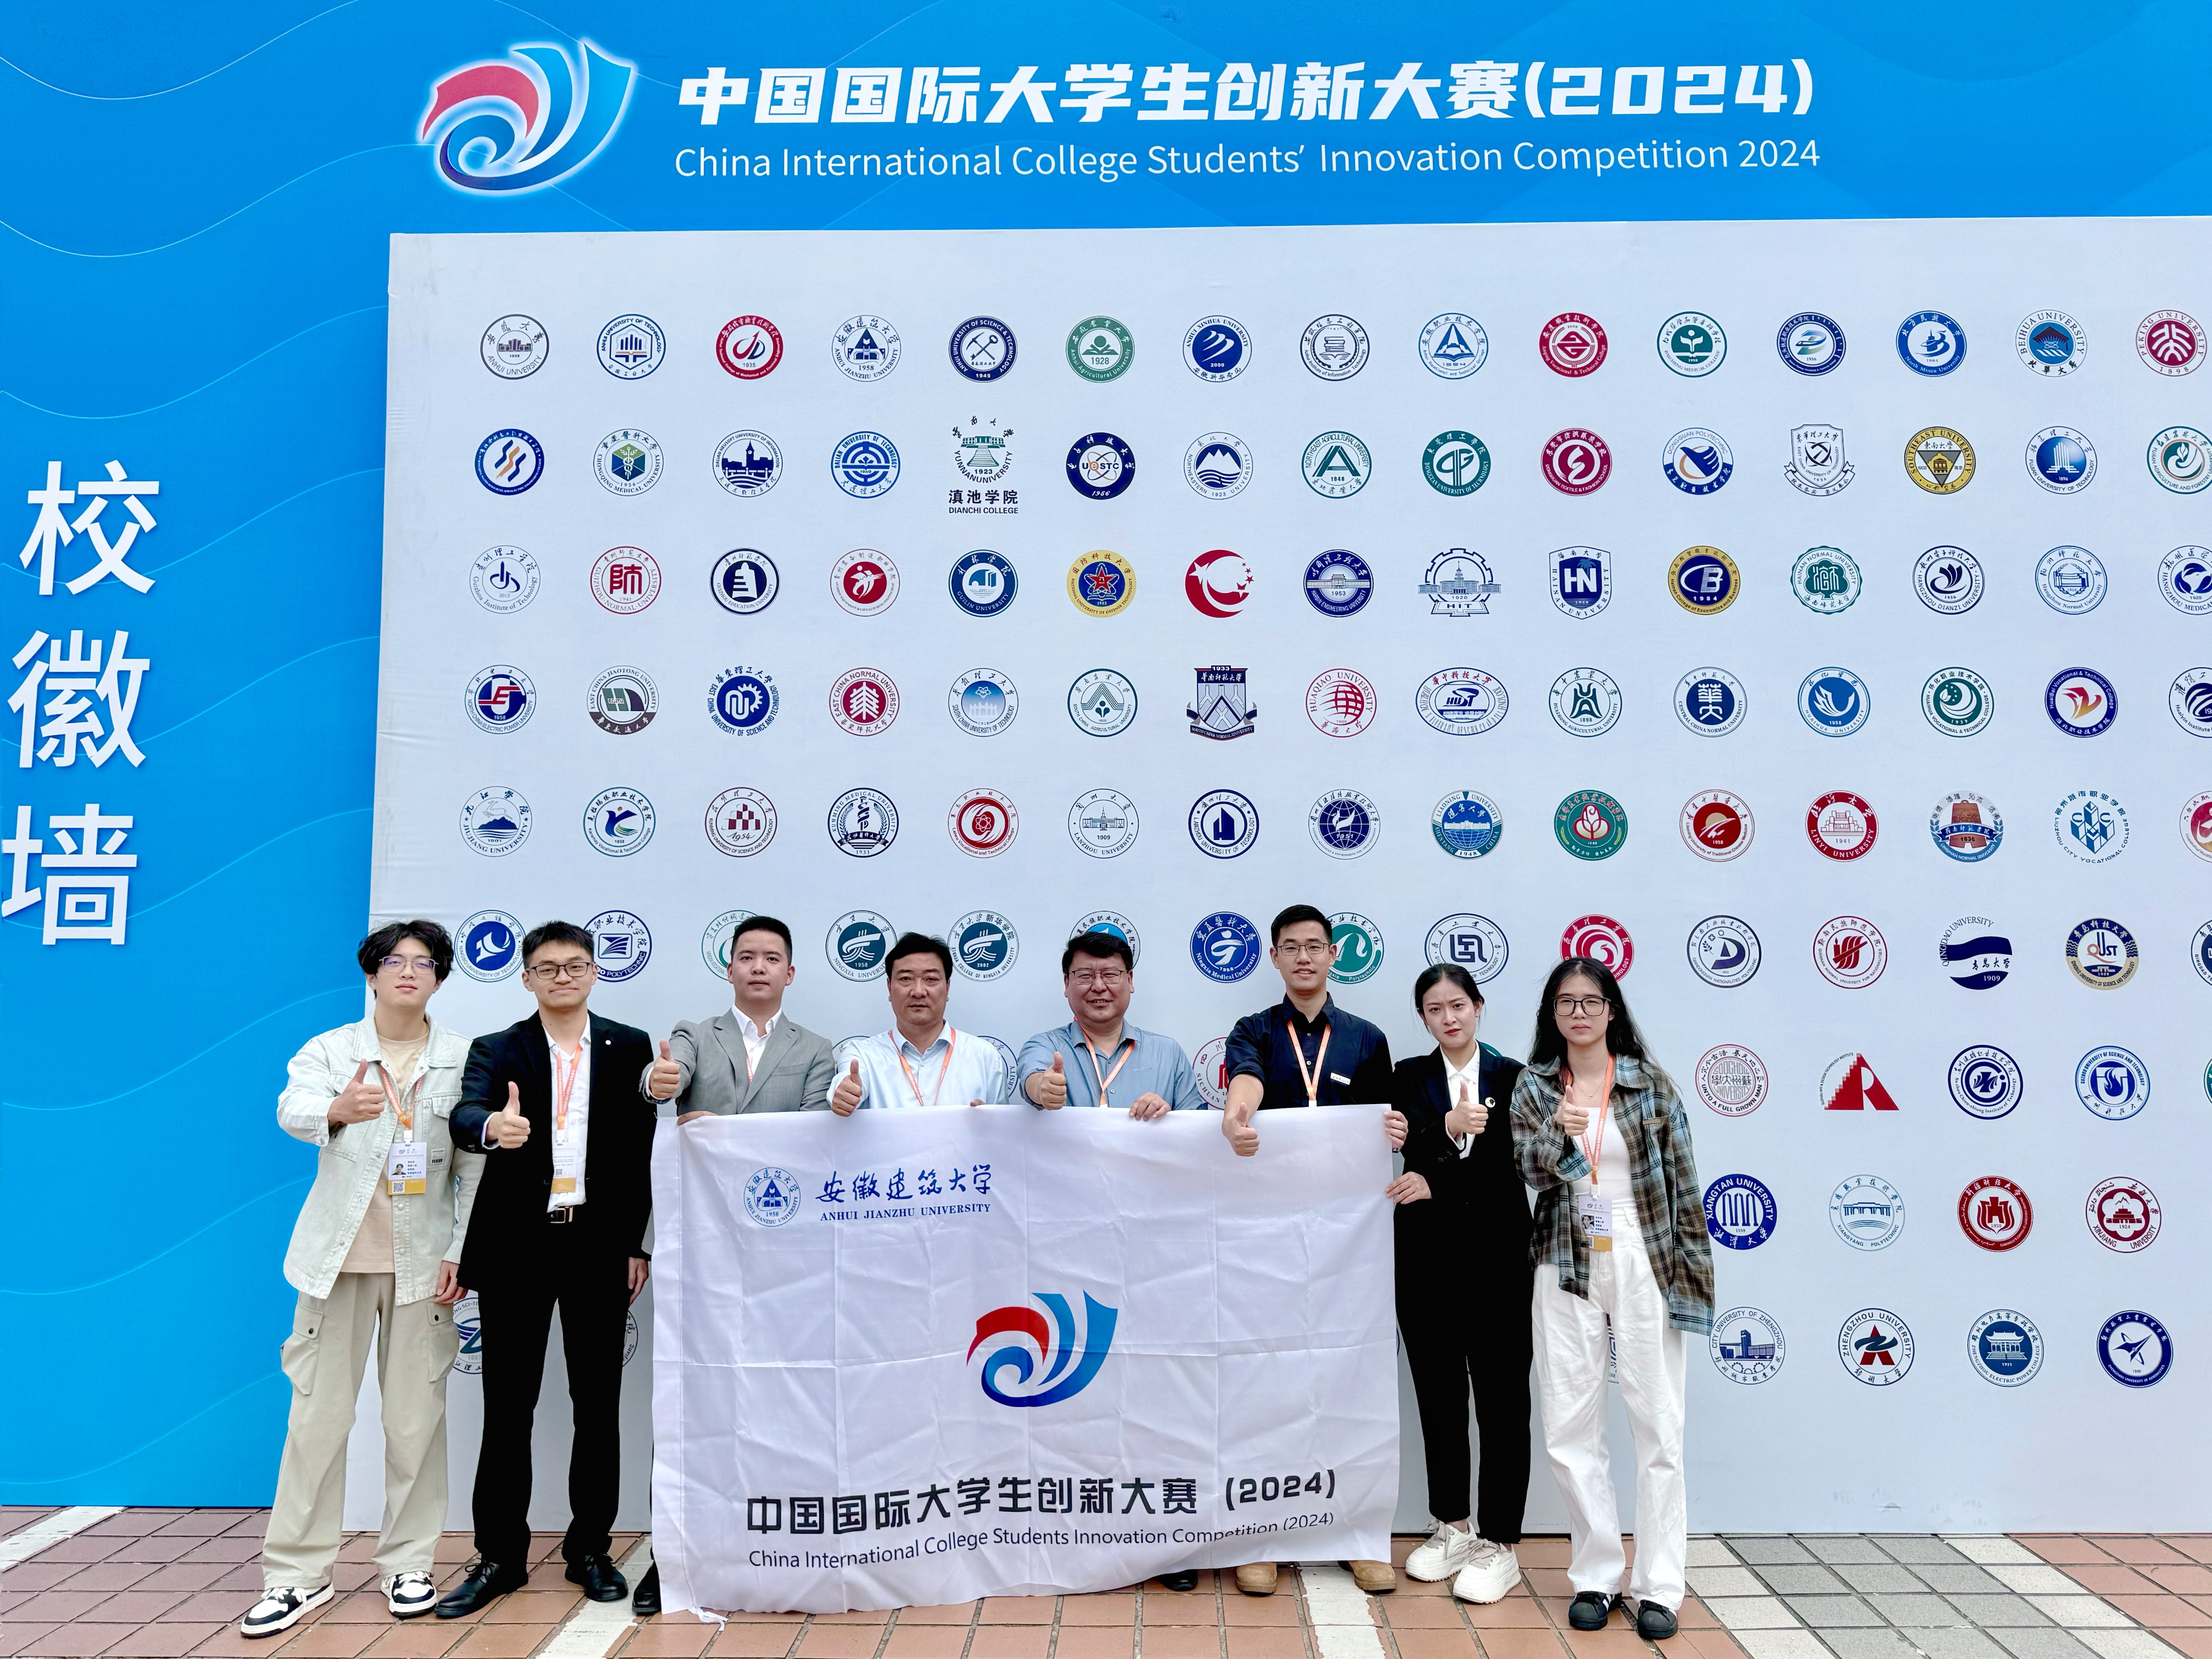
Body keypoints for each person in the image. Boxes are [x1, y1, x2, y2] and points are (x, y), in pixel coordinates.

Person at [244, 923, 481, 1638]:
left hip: (423, 1270)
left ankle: (409, 1563)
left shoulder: (464, 1057)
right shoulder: (332, 1050)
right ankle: (296, 1575)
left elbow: (474, 1169)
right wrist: (334, 1112)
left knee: (415, 1426)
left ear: (439, 978)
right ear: (371, 974)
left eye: (424, 962)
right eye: (394, 961)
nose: (409, 971)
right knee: (315, 1423)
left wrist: (461, 1250)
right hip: (334, 1265)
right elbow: (291, 1107)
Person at [434, 922, 657, 1619]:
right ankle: (500, 1556)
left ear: (595, 972)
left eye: (575, 965)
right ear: (527, 977)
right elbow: (465, 1111)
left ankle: (590, 1549)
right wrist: (489, 1128)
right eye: (548, 967)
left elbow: (640, 1150)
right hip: (516, 1247)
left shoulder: (630, 1046)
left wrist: (635, 1244)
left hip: (598, 1245)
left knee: (597, 1406)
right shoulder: (497, 1047)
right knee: (508, 1408)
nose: (563, 977)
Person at [625, 914, 837, 1614]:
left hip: (785, 1254)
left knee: (783, 1397)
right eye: (747, 956)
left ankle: (772, 1544)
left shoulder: (817, 1050)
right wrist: (660, 1081)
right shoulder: (694, 1034)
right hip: (701, 1247)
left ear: (790, 972)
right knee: (690, 1399)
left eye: (772, 958)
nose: (759, 967)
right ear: (730, 967)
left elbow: (812, 1137)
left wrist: (723, 1133)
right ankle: (671, 1556)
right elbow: (666, 1076)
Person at [1510, 958, 1710, 1641]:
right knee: (1569, 1425)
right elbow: (1528, 1169)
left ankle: (1659, 1585)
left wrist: (1691, 1280)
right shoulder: (1536, 1085)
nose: (1578, 1012)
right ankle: (1596, 1575)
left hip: (1643, 1251)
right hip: (1564, 1257)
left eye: (1590, 1001)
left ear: (1612, 1010)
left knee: (1659, 1424)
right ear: (1552, 1012)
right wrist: (1560, 1132)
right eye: (1565, 1002)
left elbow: (1684, 1185)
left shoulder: (1650, 1083)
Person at [1219, 903, 1405, 1599]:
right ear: (1273, 957)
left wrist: (1395, 1129)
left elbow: (1386, 1123)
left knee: (1349, 1376)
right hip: (1264, 1232)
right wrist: (1238, 1112)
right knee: (1263, 1374)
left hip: (1348, 1240)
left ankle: (1354, 1534)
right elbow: (1246, 1079)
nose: (1303, 957)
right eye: (1291, 947)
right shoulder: (1254, 1029)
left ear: (1333, 955)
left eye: (1315, 946)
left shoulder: (1367, 1039)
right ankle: (1261, 1535)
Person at [1386, 964, 1531, 1604]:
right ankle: (1452, 1525)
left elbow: (1512, 1166)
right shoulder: (1407, 1077)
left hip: (1500, 1261)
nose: (1448, 1017)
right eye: (1434, 1009)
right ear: (1422, 1017)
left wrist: (1435, 1174)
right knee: (1439, 1395)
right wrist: (1446, 1130)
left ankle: (1500, 1541)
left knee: (1503, 1401)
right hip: (1427, 1261)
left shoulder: (1515, 1078)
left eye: (1457, 1005)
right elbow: (1407, 1148)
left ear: (1478, 1006)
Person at [1016, 931, 1205, 1117]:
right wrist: (1043, 1087)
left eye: (1111, 975)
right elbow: (1034, 1079)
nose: (1099, 987)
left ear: (1130, 980)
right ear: (1067, 983)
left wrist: (1168, 1117)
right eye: (1085, 976)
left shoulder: (1168, 1053)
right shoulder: (1046, 1046)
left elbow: (1194, 1126)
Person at [827, 933, 1010, 1111]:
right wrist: (845, 1093)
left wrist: (989, 1123)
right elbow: (847, 1081)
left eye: (931, 979)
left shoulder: (985, 1056)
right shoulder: (863, 1055)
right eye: (906, 979)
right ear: (890, 988)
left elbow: (1003, 1127)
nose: (918, 992)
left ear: (947, 988)